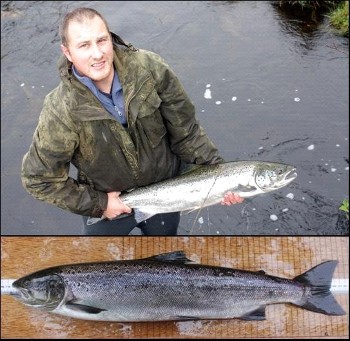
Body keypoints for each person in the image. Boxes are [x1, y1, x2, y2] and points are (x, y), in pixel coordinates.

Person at [21, 7, 244, 235]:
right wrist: (99, 204)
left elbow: (187, 133)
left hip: (167, 195)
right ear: (67, 52)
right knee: (103, 263)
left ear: (111, 37)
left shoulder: (151, 69)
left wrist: (220, 177)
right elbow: (38, 179)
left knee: (164, 257)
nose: (97, 54)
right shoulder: (60, 111)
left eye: (102, 40)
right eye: (84, 45)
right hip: (109, 211)